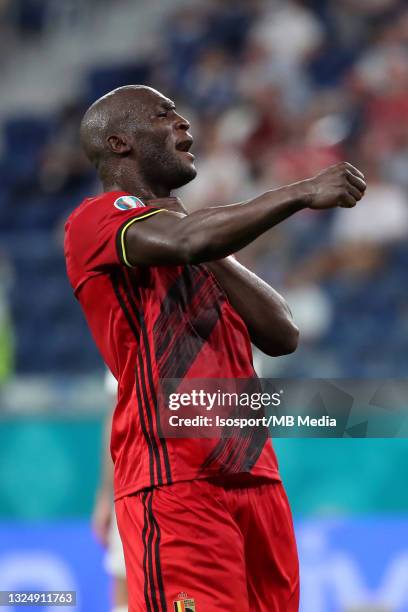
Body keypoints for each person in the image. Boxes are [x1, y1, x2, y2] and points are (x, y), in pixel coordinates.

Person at [64, 85, 366, 611]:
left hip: (255, 477)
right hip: (174, 477)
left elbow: (281, 333)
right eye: (165, 116)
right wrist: (299, 192)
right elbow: (186, 242)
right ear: (119, 144)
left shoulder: (193, 241)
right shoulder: (95, 220)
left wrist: (202, 240)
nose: (185, 127)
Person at [92, 371, 128, 612]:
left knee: (185, 594)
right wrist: (106, 495)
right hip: (136, 486)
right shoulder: (129, 336)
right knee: (126, 586)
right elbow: (116, 418)